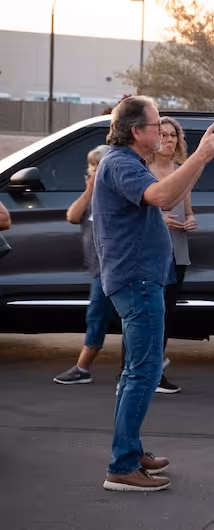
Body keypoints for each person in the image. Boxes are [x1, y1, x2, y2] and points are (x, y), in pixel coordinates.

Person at [93, 95, 214, 492]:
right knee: (144, 372)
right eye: (154, 126)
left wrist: (195, 164)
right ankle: (122, 465)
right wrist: (198, 156)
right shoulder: (120, 164)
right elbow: (162, 197)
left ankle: (129, 450)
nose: (160, 132)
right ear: (136, 131)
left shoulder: (130, 163)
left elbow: (170, 191)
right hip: (137, 279)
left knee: (138, 371)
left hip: (143, 277)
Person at [116, 115, 192, 394]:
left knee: (164, 315)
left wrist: (190, 220)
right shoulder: (139, 168)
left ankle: (156, 373)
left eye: (174, 136)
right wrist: (162, 219)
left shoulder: (182, 169)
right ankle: (128, 373)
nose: (169, 140)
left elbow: (187, 207)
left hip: (176, 250)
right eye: (164, 134)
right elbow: (140, 209)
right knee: (140, 313)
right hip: (147, 252)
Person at [53, 145, 121, 385]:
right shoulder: (91, 198)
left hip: (113, 267)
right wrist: (89, 191)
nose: (91, 171)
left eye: (97, 167)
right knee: (108, 316)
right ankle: (154, 358)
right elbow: (72, 216)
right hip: (99, 268)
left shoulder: (115, 195)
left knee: (97, 316)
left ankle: (83, 368)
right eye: (90, 167)